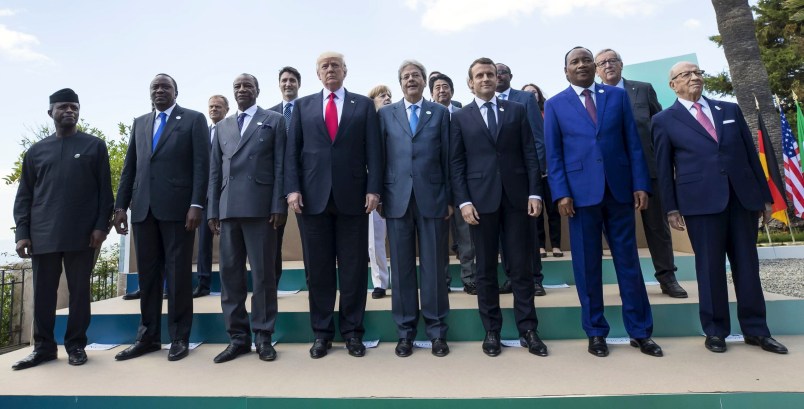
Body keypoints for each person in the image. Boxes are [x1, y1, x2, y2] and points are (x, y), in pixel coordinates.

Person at [652, 61, 788, 354]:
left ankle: (757, 330)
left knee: (747, 266)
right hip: (700, 203)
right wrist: (671, 208)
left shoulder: (729, 110)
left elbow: (751, 155)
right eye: (686, 74)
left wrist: (765, 197)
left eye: (698, 72)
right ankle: (715, 331)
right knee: (710, 268)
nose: (694, 77)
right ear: (673, 84)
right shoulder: (664, 120)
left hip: (742, 199)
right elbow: (664, 169)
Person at [544, 47, 661, 358]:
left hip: (620, 190)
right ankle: (596, 332)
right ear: (566, 70)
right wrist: (561, 192)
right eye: (575, 61)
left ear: (594, 67)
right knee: (587, 267)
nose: (581, 65)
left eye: (586, 60)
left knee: (629, 264)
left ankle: (640, 331)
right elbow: (554, 155)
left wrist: (640, 183)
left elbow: (632, 143)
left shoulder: (616, 97)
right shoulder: (555, 105)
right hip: (580, 198)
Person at [285, 51, 383, 359]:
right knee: (319, 270)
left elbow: (375, 152)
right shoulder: (302, 106)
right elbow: (292, 152)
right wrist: (292, 189)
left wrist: (373, 189)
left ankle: (353, 332)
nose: (330, 70)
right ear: (317, 74)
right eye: (325, 66)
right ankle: (322, 334)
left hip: (353, 197)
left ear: (345, 71)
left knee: (354, 269)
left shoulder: (363, 105)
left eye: (335, 65)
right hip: (312, 200)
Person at [450, 57, 547, 357]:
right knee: (485, 271)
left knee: (521, 268)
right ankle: (491, 331)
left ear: (497, 78)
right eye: (479, 75)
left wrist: (535, 193)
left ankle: (528, 330)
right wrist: (463, 201)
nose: (485, 79)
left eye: (490, 74)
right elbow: (456, 162)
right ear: (470, 82)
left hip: (518, 199)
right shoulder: (460, 117)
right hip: (480, 203)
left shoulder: (517, 110)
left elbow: (530, 153)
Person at [12, 88, 114, 370]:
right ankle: (43, 348)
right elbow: (25, 195)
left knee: (80, 293)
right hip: (42, 234)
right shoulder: (36, 151)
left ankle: (76, 345)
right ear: (51, 113)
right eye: (63, 107)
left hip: (83, 235)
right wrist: (23, 232)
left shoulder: (95, 146)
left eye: (74, 107)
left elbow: (105, 193)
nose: (69, 111)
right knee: (44, 295)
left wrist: (100, 227)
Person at [113, 73, 209, 362]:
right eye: (154, 87)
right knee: (149, 277)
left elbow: (201, 165)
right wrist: (120, 207)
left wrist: (196, 204)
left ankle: (180, 337)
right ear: (149, 93)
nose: (159, 90)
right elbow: (130, 167)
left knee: (178, 275)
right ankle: (148, 337)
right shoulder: (140, 122)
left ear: (176, 92)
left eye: (165, 86)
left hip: (179, 210)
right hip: (143, 211)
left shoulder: (193, 119)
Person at [206, 74, 286, 363]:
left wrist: (279, 203)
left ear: (257, 90)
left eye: (247, 86)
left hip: (261, 207)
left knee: (263, 276)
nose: (242, 90)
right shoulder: (223, 125)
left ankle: (264, 336)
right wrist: (213, 209)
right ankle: (237, 338)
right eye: (237, 86)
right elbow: (215, 170)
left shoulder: (274, 120)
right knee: (230, 276)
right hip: (228, 210)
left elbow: (281, 165)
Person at [595, 48, 687, 298]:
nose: (607, 65)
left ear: (622, 64)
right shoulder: (594, 97)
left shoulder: (642, 89)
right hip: (613, 173)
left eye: (612, 60)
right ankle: (630, 282)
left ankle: (667, 278)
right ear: (596, 70)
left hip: (648, 169)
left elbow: (659, 127)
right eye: (601, 63)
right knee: (617, 232)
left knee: (657, 227)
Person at [379, 60, 452, 358]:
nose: (411, 80)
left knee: (434, 268)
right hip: (396, 199)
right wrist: (380, 195)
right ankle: (405, 332)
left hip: (433, 197)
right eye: (406, 77)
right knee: (402, 268)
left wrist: (450, 198)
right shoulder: (385, 114)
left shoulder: (441, 113)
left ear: (425, 81)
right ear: (400, 83)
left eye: (416, 76)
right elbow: (379, 157)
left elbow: (448, 156)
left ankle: (436, 332)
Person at [495, 63, 547, 296]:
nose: (497, 76)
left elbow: (537, 137)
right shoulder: (484, 104)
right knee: (504, 233)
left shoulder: (525, 99)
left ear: (510, 76)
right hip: (496, 182)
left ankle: (535, 278)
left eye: (502, 72)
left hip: (523, 178)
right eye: (493, 72)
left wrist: (538, 171)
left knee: (528, 231)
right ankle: (512, 277)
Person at [430, 73, 477, 295]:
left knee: (466, 235)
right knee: (438, 239)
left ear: (452, 91)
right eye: (437, 87)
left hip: (462, 184)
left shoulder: (464, 115)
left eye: (446, 86)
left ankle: (469, 278)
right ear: (431, 93)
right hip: (436, 186)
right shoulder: (427, 116)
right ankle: (443, 281)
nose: (442, 90)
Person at [268, 66, 302, 287]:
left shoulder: (309, 109)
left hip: (304, 184)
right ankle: (272, 288)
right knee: (272, 242)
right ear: (279, 84)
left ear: (299, 84)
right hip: (275, 186)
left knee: (311, 241)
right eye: (284, 80)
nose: (288, 84)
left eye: (292, 80)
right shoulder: (268, 115)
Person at [193, 94, 230, 298]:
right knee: (203, 243)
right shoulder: (202, 133)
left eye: (218, 106)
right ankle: (203, 283)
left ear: (227, 109)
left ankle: (229, 283)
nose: (214, 109)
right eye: (211, 106)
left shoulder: (232, 130)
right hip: (205, 196)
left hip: (226, 194)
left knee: (230, 242)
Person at [522, 83, 563, 259]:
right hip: (533, 171)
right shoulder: (521, 112)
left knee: (553, 209)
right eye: (528, 93)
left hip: (550, 170)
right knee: (535, 212)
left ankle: (556, 245)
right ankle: (540, 245)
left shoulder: (549, 110)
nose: (532, 95)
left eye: (534, 92)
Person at [366, 84, 393, 299]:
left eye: (389, 95)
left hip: (397, 187)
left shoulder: (396, 120)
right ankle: (380, 282)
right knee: (374, 239)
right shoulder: (366, 123)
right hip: (373, 188)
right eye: (382, 95)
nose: (387, 98)